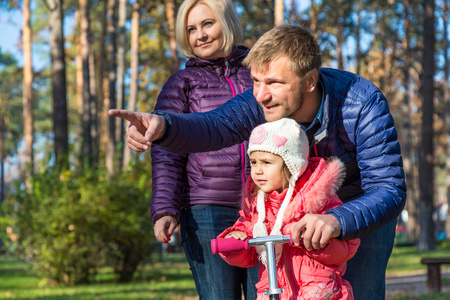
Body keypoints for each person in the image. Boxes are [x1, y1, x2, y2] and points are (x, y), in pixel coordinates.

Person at [109, 25, 407, 299]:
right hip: (292, 223)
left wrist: (337, 220)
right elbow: (213, 126)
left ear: (310, 81)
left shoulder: (362, 102)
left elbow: (388, 189)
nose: (261, 95)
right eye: (255, 81)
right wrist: (164, 126)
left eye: (274, 82)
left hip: (356, 214)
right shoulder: (263, 101)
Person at [149, 0, 258, 299]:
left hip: (263, 210)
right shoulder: (181, 84)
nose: (200, 35)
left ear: (227, 22)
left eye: (207, 24)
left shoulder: (259, 73)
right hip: (207, 212)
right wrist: (165, 209)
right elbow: (167, 154)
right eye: (191, 29)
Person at [217, 118, 360, 299]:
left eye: (266, 162)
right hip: (273, 291)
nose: (258, 170)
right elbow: (249, 252)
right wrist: (235, 241)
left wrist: (312, 241)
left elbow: (348, 245)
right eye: (254, 162)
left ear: (291, 165)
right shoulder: (257, 206)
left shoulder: (318, 198)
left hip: (316, 291)